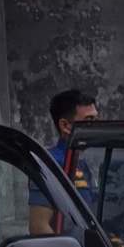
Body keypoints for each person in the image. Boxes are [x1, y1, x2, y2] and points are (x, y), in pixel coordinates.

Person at [28, 89, 99, 235]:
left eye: (95, 120)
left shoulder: (80, 162)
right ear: (65, 126)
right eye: (88, 121)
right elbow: (39, 227)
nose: (95, 127)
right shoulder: (49, 164)